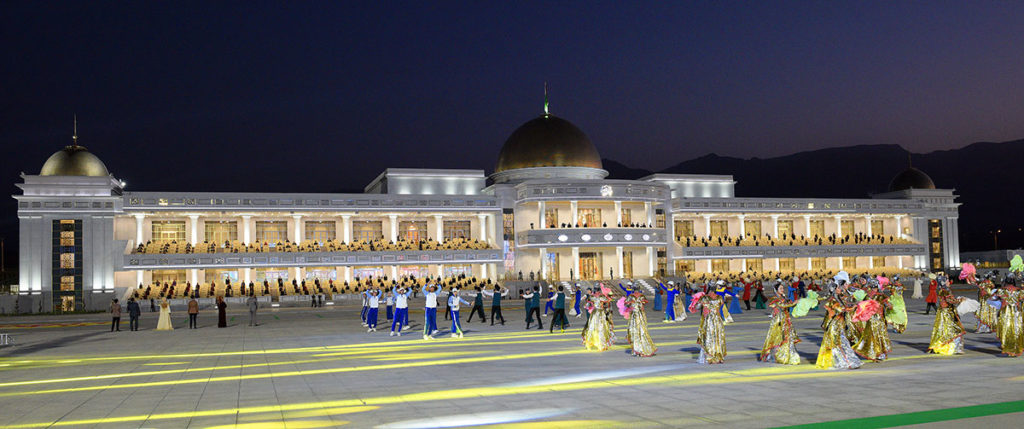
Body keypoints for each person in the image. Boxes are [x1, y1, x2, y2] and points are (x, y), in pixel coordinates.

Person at [815, 274, 862, 369]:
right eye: (838, 288)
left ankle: (847, 362)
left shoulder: (839, 298)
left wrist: (854, 304)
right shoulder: (833, 301)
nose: (840, 289)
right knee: (840, 344)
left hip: (839, 325)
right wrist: (853, 307)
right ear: (834, 290)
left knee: (842, 344)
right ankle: (845, 362)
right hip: (834, 326)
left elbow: (846, 305)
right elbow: (842, 309)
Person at [761, 284, 799, 365]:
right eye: (780, 288)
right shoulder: (775, 299)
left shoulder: (784, 298)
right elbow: (782, 306)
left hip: (786, 319)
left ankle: (787, 355)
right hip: (778, 321)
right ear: (776, 290)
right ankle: (775, 355)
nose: (782, 289)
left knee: (788, 336)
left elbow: (787, 305)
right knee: (777, 337)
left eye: (783, 288)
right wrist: (792, 304)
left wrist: (795, 303)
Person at [928, 285, 965, 355]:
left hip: (942, 314)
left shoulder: (942, 292)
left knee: (941, 331)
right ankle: (955, 348)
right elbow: (951, 301)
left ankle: (937, 346)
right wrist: (960, 300)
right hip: (947, 315)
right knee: (954, 331)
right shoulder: (946, 293)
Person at [693, 288, 727, 364]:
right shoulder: (719, 298)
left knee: (709, 336)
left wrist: (698, 299)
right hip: (718, 320)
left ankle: (709, 356)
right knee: (718, 337)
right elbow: (721, 307)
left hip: (709, 321)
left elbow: (697, 307)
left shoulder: (705, 298)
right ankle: (718, 356)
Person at [582, 286, 615, 351]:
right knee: (601, 328)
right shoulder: (602, 296)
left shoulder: (592, 296)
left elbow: (588, 304)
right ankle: (601, 344)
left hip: (594, 313)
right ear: (599, 290)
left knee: (592, 327)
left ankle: (590, 343)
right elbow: (607, 302)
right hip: (601, 312)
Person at [625, 291, 656, 357]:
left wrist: (631, 304)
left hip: (634, 316)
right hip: (640, 315)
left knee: (634, 331)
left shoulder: (631, 296)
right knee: (642, 331)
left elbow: (626, 304)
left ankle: (637, 350)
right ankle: (642, 348)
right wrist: (640, 303)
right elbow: (645, 302)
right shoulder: (641, 295)